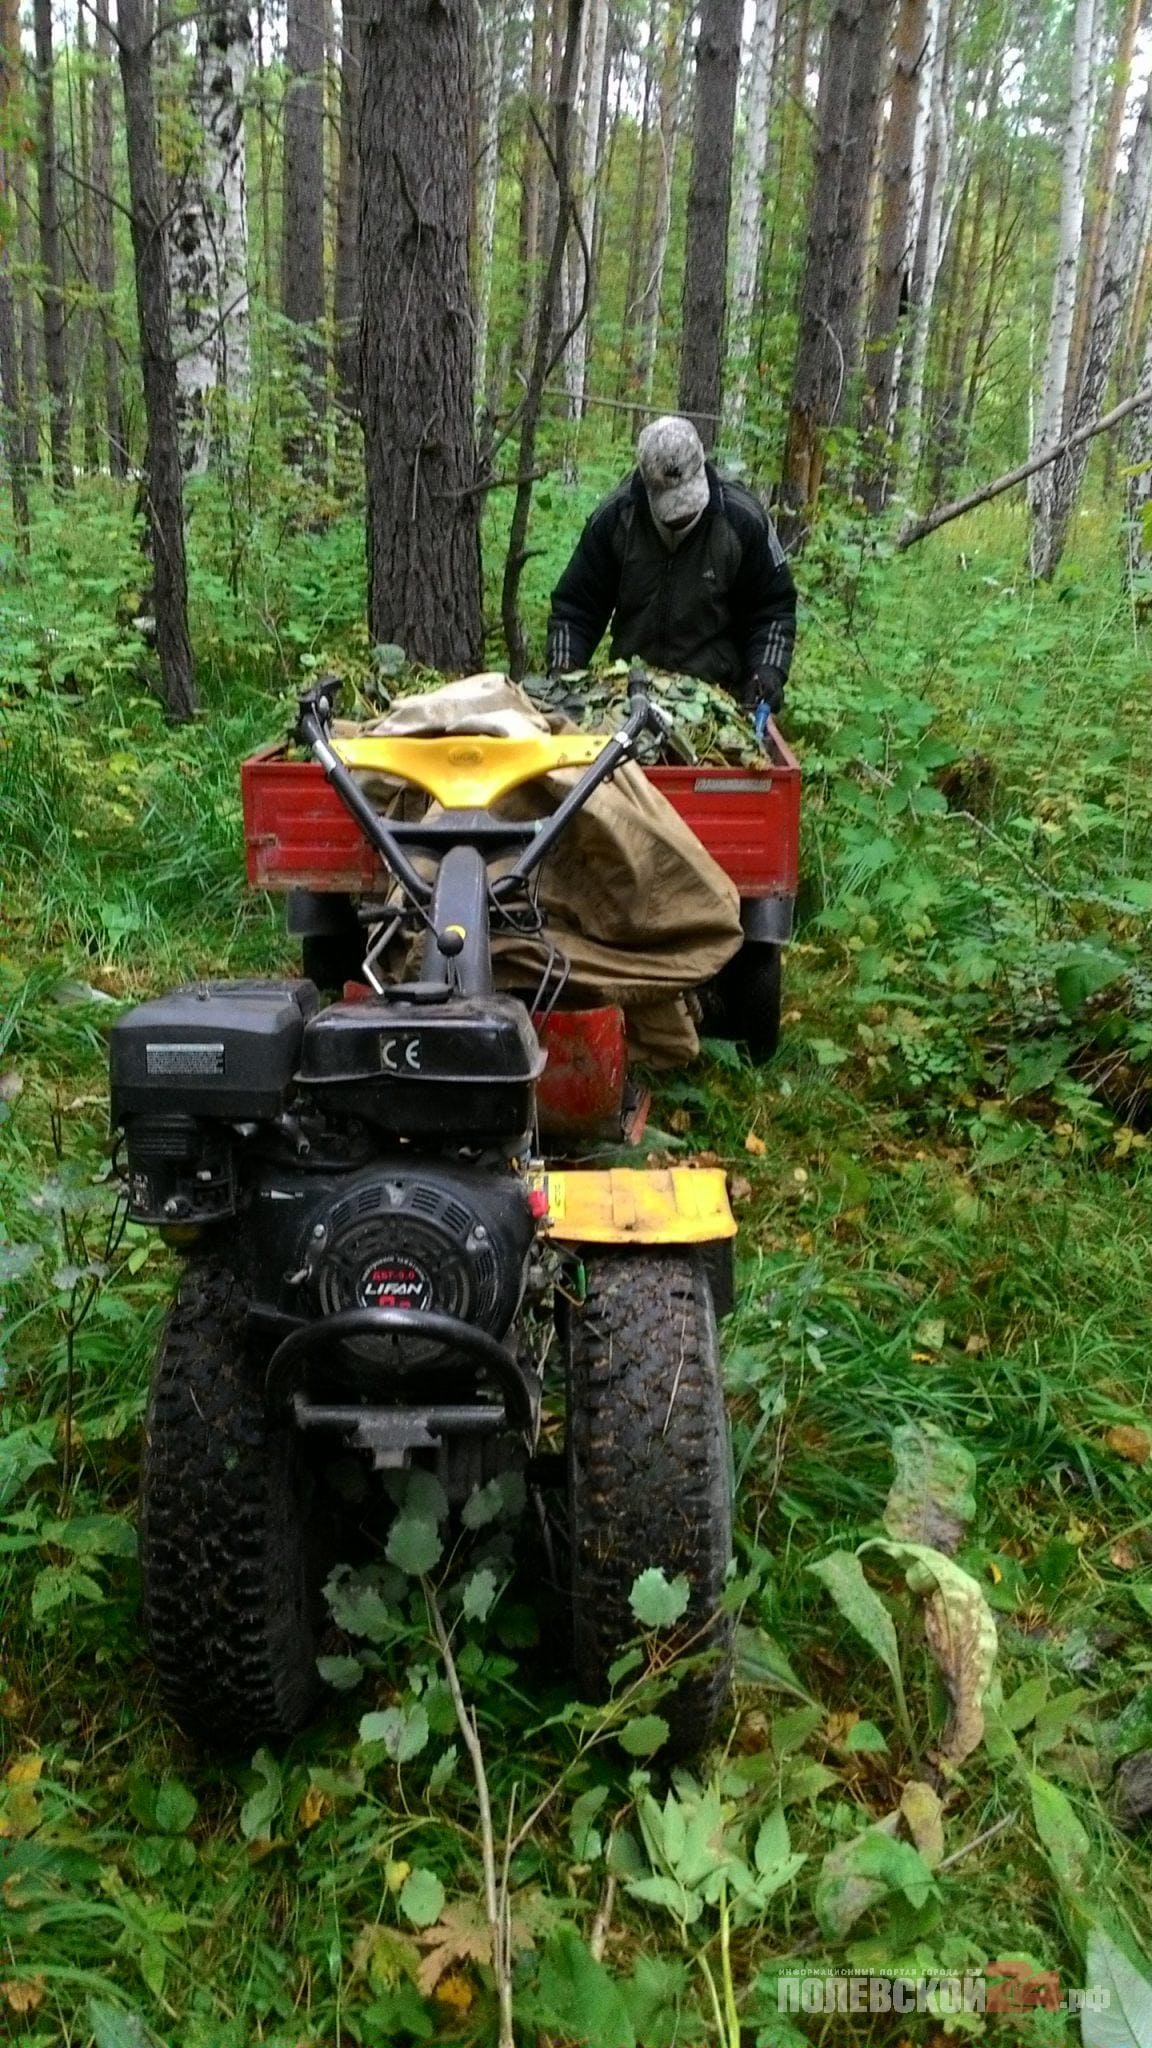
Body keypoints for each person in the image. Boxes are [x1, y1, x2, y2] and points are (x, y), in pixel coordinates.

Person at [546, 415, 797, 735]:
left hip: (716, 701)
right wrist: (564, 671)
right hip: (629, 696)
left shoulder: (742, 520)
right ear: (645, 482)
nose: (681, 516)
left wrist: (767, 671)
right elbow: (575, 608)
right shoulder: (616, 519)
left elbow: (773, 609)